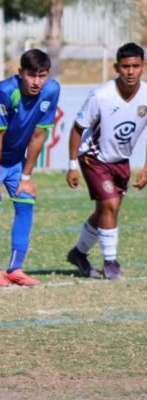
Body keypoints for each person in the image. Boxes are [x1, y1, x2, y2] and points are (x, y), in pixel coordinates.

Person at [0, 49, 60, 287]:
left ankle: (16, 269)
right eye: (31, 75)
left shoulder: (51, 90)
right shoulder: (5, 91)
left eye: (42, 76)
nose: (37, 82)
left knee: (25, 200)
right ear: (20, 73)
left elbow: (39, 135)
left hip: (14, 155)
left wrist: (26, 176)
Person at [66, 42, 147, 280]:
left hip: (121, 160)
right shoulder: (101, 95)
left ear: (143, 67)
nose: (130, 71)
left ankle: (78, 254)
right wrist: (72, 165)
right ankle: (111, 264)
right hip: (93, 156)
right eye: (125, 66)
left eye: (135, 66)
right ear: (116, 68)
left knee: (106, 210)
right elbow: (77, 129)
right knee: (110, 204)